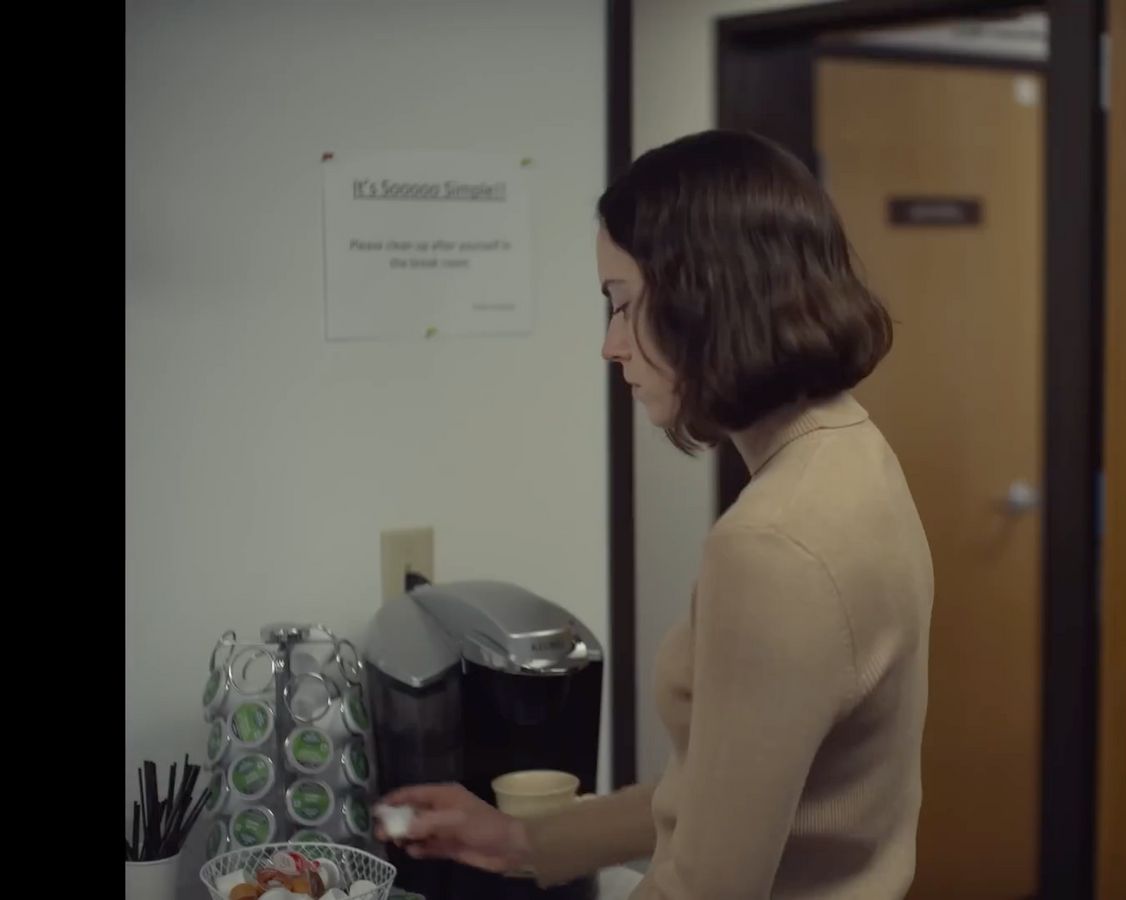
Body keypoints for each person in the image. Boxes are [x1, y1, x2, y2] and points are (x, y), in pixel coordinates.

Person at [378, 129, 935, 899]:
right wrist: (521, 840)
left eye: (622, 304)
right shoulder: (855, 457)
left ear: (707, 297)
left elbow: (707, 883)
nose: (610, 345)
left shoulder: (771, 546)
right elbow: (724, 796)